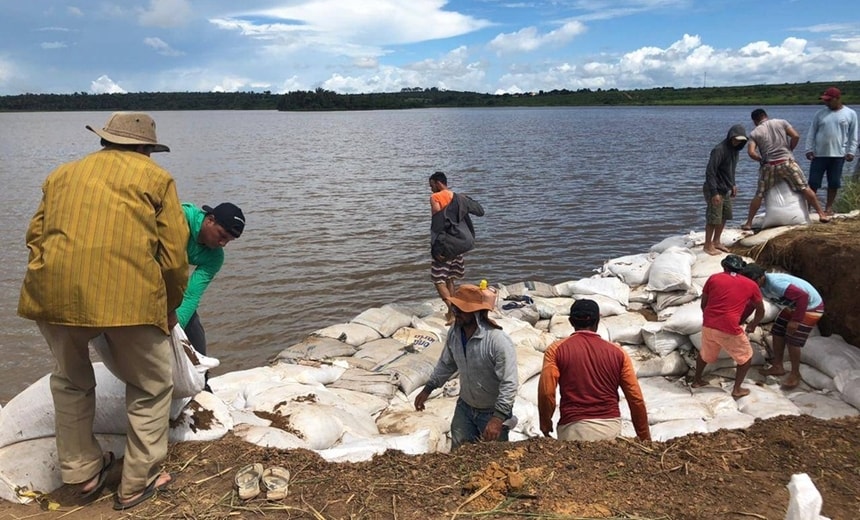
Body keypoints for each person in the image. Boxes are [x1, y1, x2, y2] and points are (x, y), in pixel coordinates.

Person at [17, 112, 189, 510]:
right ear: (146, 149)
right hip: (128, 298)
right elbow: (175, 255)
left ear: (106, 141)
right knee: (150, 386)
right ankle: (137, 483)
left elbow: (34, 237)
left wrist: (50, 274)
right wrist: (170, 305)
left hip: (53, 296)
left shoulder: (61, 175)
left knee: (70, 382)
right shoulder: (156, 178)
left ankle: (83, 472)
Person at [414, 284, 518, 450]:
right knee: (460, 453)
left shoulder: (497, 340)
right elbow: (446, 364)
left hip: (491, 413)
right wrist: (428, 388)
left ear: (477, 313)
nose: (456, 313)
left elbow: (509, 382)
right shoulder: (455, 333)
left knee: (494, 459)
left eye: (462, 310)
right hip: (465, 408)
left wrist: (498, 418)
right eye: (455, 308)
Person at [537, 299, 651, 442]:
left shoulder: (555, 350)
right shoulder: (618, 353)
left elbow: (547, 393)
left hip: (572, 428)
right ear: (598, 321)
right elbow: (636, 399)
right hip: (610, 427)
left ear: (571, 322)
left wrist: (545, 423)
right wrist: (644, 437)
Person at [741, 108, 830, 230]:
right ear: (766, 115)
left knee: (760, 194)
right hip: (787, 162)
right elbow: (796, 136)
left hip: (769, 166)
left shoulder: (755, 133)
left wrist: (760, 159)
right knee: (804, 187)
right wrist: (790, 149)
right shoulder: (781, 122)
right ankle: (822, 214)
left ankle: (749, 223)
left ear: (755, 121)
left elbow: (751, 152)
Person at [740, 264, 825, 390]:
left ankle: (795, 373)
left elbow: (803, 297)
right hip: (793, 307)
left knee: (792, 338)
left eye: (753, 281)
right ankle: (778, 366)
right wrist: (740, 321)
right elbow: (752, 305)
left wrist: (795, 321)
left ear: (761, 277)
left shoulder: (776, 284)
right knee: (777, 331)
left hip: (811, 307)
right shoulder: (755, 286)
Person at [691, 255, 764, 398]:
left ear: (724, 267)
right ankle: (737, 389)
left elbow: (703, 304)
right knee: (746, 357)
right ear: (741, 269)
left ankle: (697, 381)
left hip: (708, 323)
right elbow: (761, 310)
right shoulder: (751, 285)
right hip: (729, 326)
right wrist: (753, 324)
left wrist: (710, 318)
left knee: (705, 354)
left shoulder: (713, 278)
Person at [177, 202, 245, 355]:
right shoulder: (180, 218)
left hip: (171, 286)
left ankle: (202, 376)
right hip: (144, 269)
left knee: (195, 338)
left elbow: (191, 295)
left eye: (228, 240)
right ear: (209, 221)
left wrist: (175, 328)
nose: (223, 244)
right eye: (221, 236)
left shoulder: (215, 257)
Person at [429, 171, 484, 322]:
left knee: (438, 280)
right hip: (460, 244)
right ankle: (453, 311)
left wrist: (436, 249)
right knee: (450, 278)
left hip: (447, 245)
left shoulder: (436, 197)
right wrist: (466, 199)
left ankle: (453, 311)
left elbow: (438, 225)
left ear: (438, 183)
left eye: (431, 185)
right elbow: (480, 211)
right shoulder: (460, 198)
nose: (431, 189)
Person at [804, 87, 858, 215]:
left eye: (829, 100)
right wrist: (808, 149)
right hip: (819, 154)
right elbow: (812, 132)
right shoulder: (820, 114)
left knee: (834, 183)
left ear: (837, 99)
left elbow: (853, 135)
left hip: (838, 155)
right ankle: (808, 209)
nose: (826, 103)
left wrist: (851, 151)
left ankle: (828, 208)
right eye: (825, 100)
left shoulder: (850, 114)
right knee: (813, 183)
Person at [703, 124, 748, 255]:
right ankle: (707, 245)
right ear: (730, 137)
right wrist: (714, 193)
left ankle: (716, 241)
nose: (737, 142)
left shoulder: (735, 151)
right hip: (715, 188)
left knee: (724, 215)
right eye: (735, 139)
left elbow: (730, 170)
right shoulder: (719, 150)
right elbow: (710, 172)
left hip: (725, 188)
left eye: (740, 140)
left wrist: (733, 184)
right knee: (713, 218)